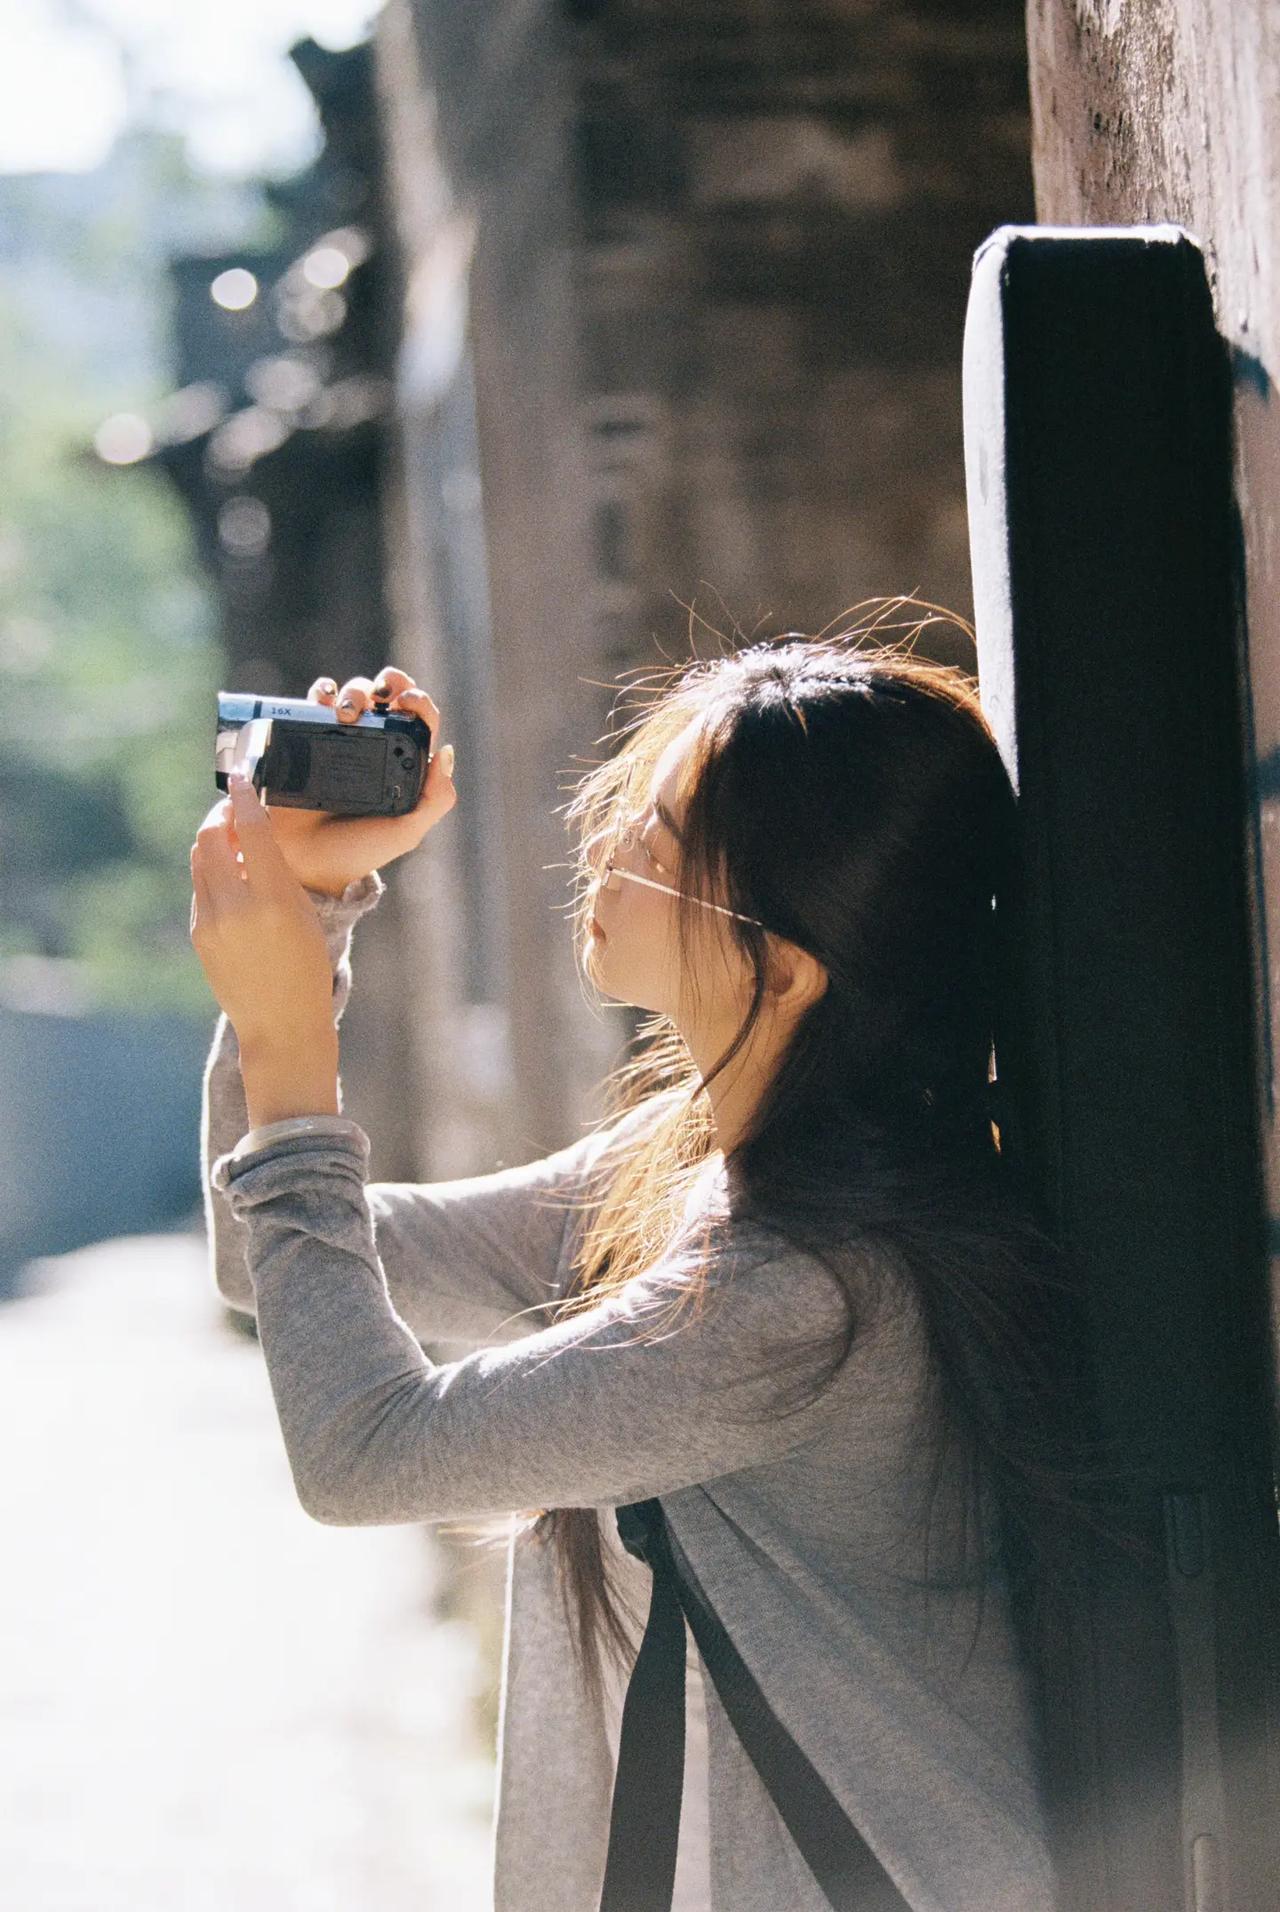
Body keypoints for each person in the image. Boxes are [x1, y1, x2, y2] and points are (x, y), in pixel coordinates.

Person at [193, 601, 1089, 1912]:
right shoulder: (688, 1165)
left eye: (657, 842)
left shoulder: (807, 1295)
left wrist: (293, 1056)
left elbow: (362, 1453)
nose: (602, 848)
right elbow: (266, 1257)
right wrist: (313, 919)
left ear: (784, 966)